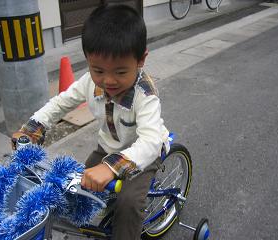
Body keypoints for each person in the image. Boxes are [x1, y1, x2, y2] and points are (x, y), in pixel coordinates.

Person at [11, 4, 170, 240]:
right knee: (78, 185)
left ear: (141, 60)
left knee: (128, 203)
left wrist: (110, 168)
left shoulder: (144, 96)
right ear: (87, 60)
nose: (108, 81)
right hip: (107, 149)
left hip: (143, 157)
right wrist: (34, 126)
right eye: (98, 70)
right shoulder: (90, 82)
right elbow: (61, 103)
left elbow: (150, 141)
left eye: (120, 71)